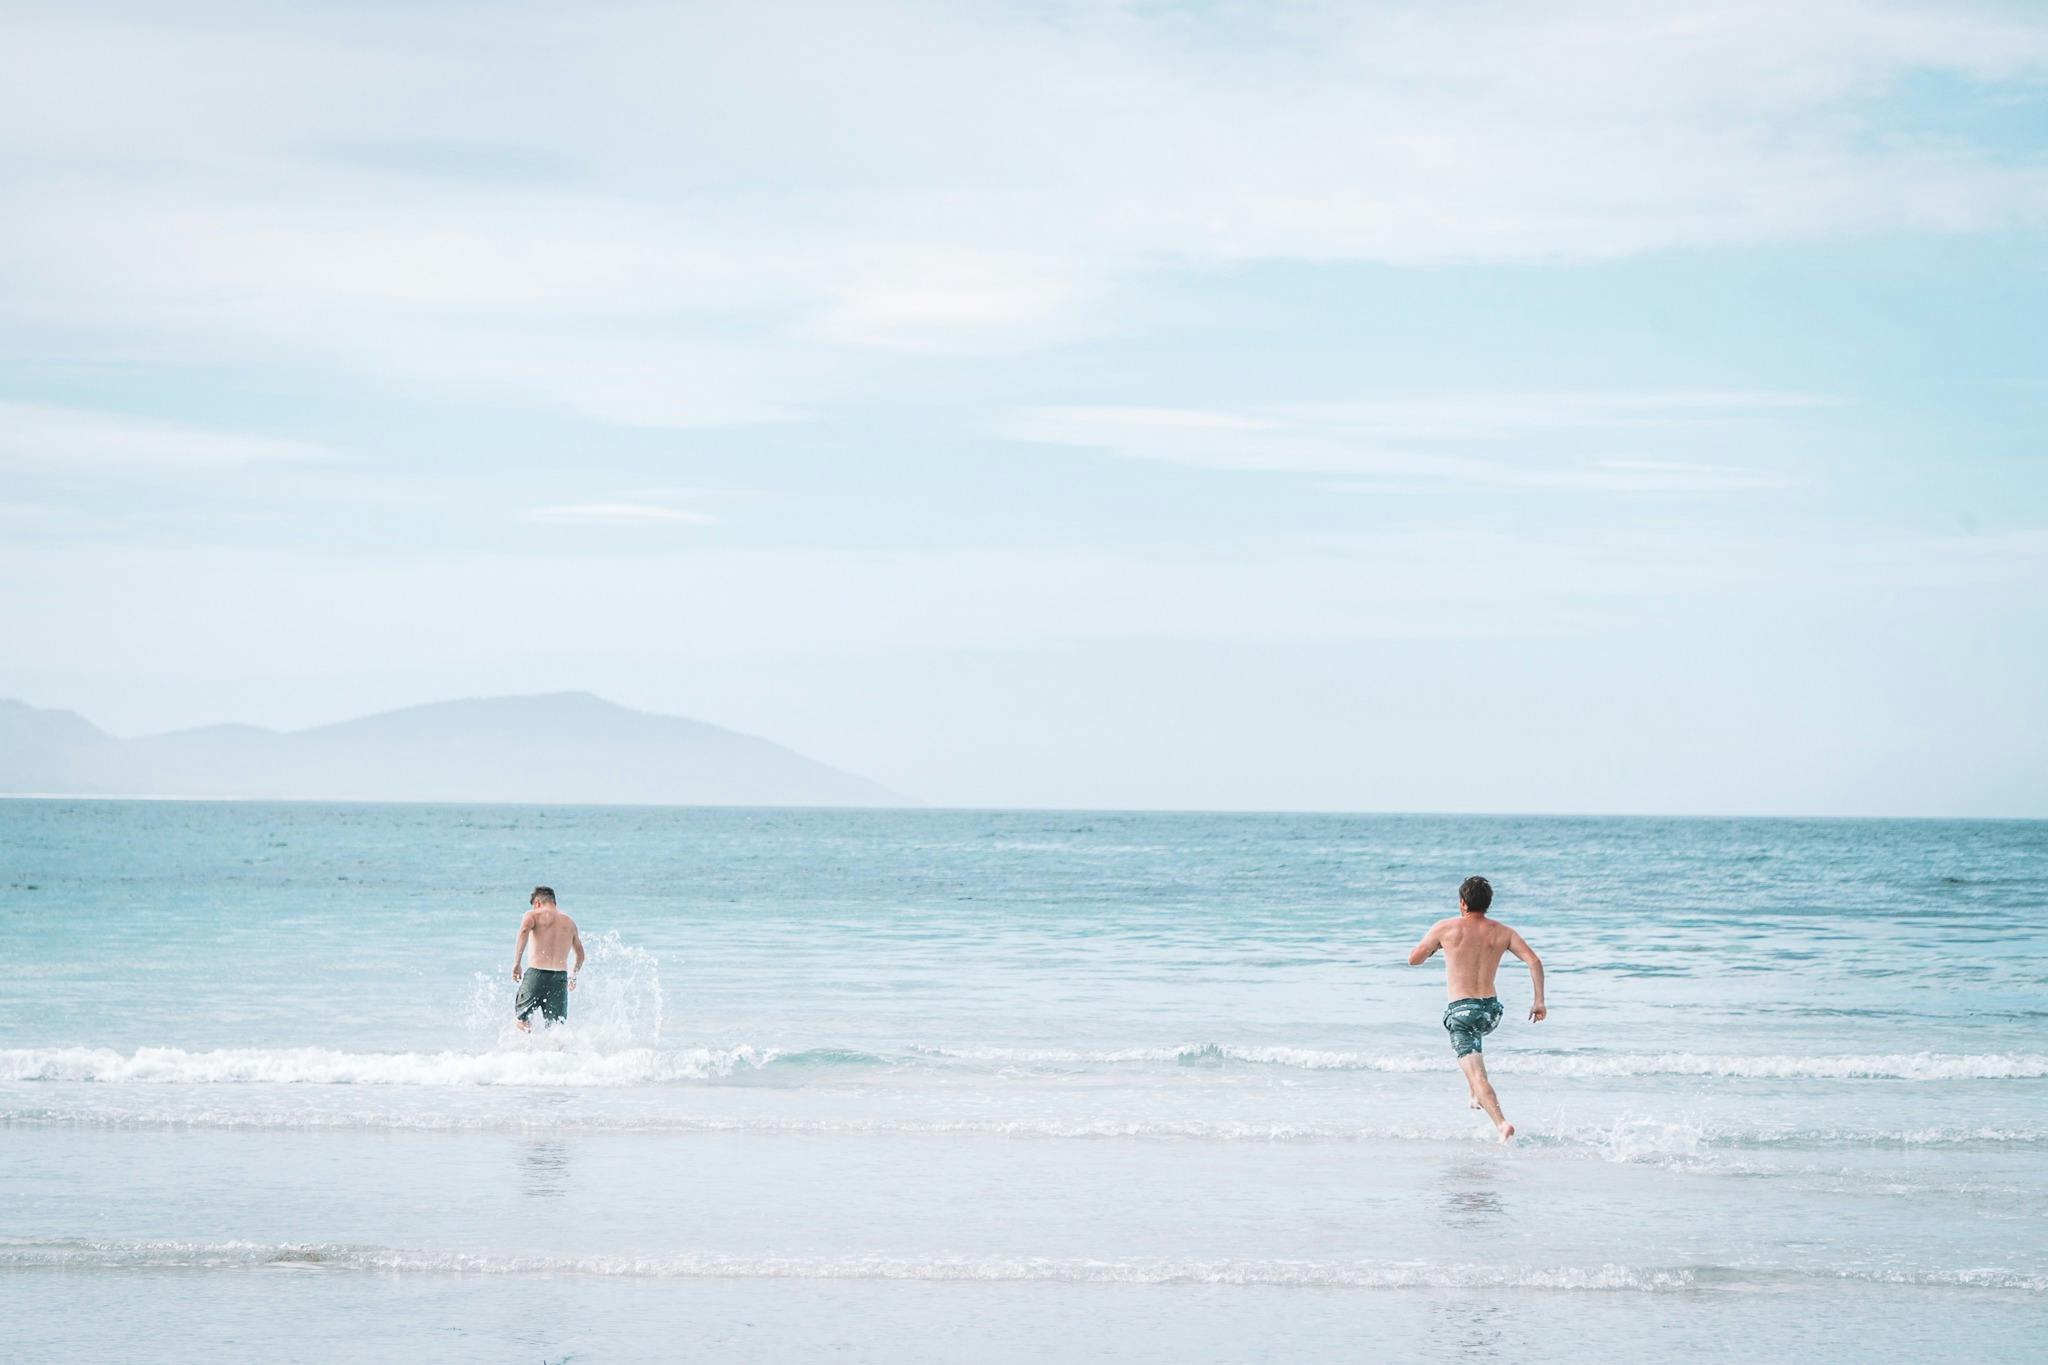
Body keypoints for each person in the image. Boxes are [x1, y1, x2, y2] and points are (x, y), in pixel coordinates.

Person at [1406, 875, 1545, 1140]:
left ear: (1462, 903)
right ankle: (1473, 1092)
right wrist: (1539, 1001)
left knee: (1476, 1072)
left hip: (1461, 1012)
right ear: (1488, 904)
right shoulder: (1504, 931)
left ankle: (1501, 1123)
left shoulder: (1445, 929)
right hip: (1491, 1012)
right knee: (1473, 1053)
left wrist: (1437, 947)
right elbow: (1534, 961)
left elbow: (1414, 960)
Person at [512, 886, 585, 1030]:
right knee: (555, 1028)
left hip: (536, 974)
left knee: (521, 1019)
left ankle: (529, 1047)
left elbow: (524, 931)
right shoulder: (569, 923)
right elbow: (581, 956)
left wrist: (517, 963)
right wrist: (573, 976)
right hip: (559, 978)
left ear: (537, 903)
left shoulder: (533, 915)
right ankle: (554, 1052)